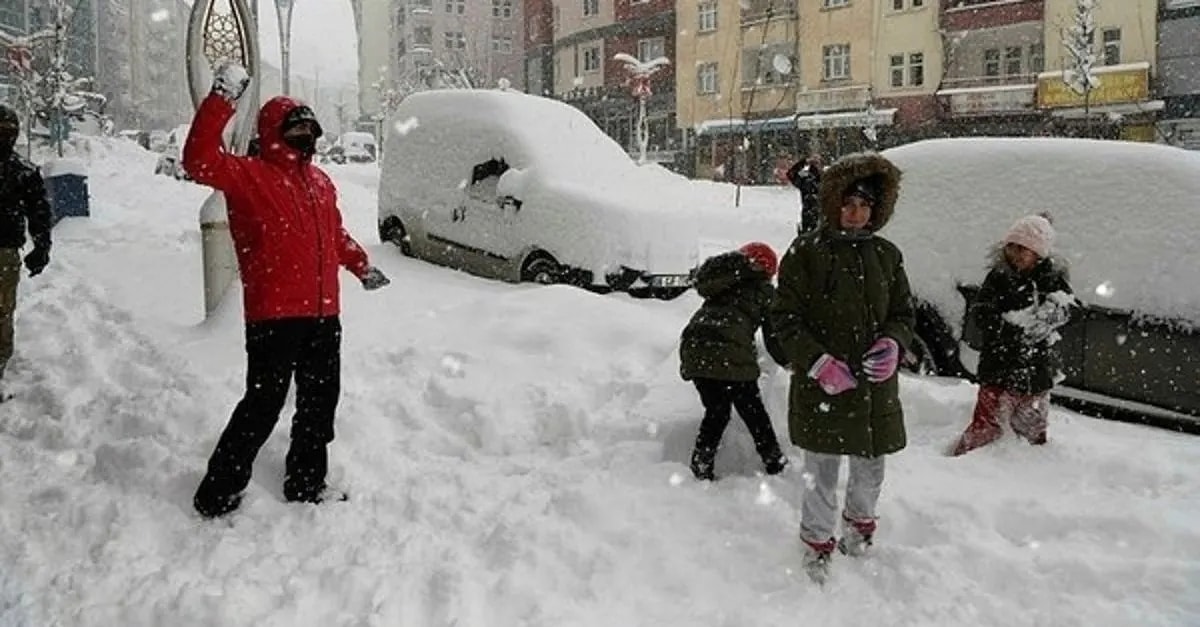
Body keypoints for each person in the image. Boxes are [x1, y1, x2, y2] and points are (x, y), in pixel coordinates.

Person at [183, 63, 392, 519]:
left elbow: (333, 235)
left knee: (319, 405)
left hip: (323, 315)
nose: (303, 135)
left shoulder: (319, 182)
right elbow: (198, 160)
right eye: (294, 128)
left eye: (308, 128)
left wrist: (361, 266)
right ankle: (217, 492)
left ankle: (306, 481)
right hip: (274, 317)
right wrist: (222, 100)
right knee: (263, 405)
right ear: (274, 131)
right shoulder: (249, 175)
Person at [770, 152, 914, 583]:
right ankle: (817, 543)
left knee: (870, 467)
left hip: (873, 389)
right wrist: (817, 363)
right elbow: (784, 318)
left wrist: (894, 343)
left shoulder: (888, 255)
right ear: (833, 205)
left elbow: (903, 313)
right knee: (821, 470)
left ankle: (859, 528)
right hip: (823, 388)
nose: (856, 214)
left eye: (865, 206)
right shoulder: (807, 252)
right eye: (848, 205)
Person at [952, 214, 1074, 456]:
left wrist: (1055, 314)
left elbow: (1070, 306)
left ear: (1039, 254)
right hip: (998, 364)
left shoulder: (1051, 279)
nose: (1016, 254)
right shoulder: (998, 277)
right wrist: (1011, 330)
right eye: (1013, 247)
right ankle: (969, 459)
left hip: (1035, 369)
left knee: (1031, 425)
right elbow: (981, 313)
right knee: (987, 420)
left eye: (1024, 249)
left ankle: (1030, 462)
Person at [680, 242, 790, 481]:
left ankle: (701, 464)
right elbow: (774, 338)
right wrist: (789, 362)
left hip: (695, 350)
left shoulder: (722, 285)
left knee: (717, 411)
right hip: (728, 353)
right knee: (753, 411)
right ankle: (774, 460)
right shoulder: (763, 292)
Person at [0, 104, 52, 389]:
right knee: (2, 314)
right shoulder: (23, 171)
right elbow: (40, 212)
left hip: (6, 252)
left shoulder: (24, 171)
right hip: (5, 253)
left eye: (6, 132)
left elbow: (39, 212)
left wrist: (42, 247)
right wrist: (41, 247)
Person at [786, 154, 823, 234]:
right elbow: (790, 174)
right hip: (810, 217)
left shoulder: (825, 180)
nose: (816, 166)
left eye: (817, 163)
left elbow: (791, 174)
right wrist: (803, 162)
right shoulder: (806, 180)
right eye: (814, 163)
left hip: (820, 217)